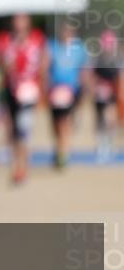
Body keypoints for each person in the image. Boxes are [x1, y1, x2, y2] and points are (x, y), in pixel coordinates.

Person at [0, 13, 47, 185]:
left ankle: (22, 167)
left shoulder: (36, 39)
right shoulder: (5, 40)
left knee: (23, 129)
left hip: (28, 90)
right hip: (11, 90)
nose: (19, 23)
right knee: (13, 131)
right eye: (16, 20)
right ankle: (15, 164)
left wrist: (42, 87)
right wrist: (3, 67)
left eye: (22, 20)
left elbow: (43, 63)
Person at [46, 22, 89, 170]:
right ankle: (59, 148)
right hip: (53, 91)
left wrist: (83, 90)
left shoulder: (79, 49)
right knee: (55, 124)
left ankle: (63, 153)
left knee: (64, 123)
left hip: (71, 91)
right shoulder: (52, 46)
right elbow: (45, 66)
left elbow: (84, 70)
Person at [93, 29, 120, 162]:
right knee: (99, 121)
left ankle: (108, 145)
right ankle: (101, 146)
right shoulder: (97, 59)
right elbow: (93, 77)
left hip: (111, 95)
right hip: (99, 95)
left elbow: (118, 78)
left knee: (109, 120)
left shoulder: (116, 60)